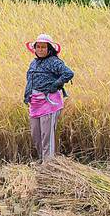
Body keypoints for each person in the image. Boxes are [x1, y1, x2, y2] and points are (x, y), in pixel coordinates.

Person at [24, 33, 73, 162]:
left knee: (47, 135)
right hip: (35, 104)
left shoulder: (54, 62)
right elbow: (29, 80)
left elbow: (68, 73)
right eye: (38, 47)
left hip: (49, 103)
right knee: (36, 135)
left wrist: (55, 85)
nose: (40, 49)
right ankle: (42, 160)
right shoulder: (33, 63)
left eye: (43, 47)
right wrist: (27, 96)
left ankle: (49, 165)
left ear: (49, 49)